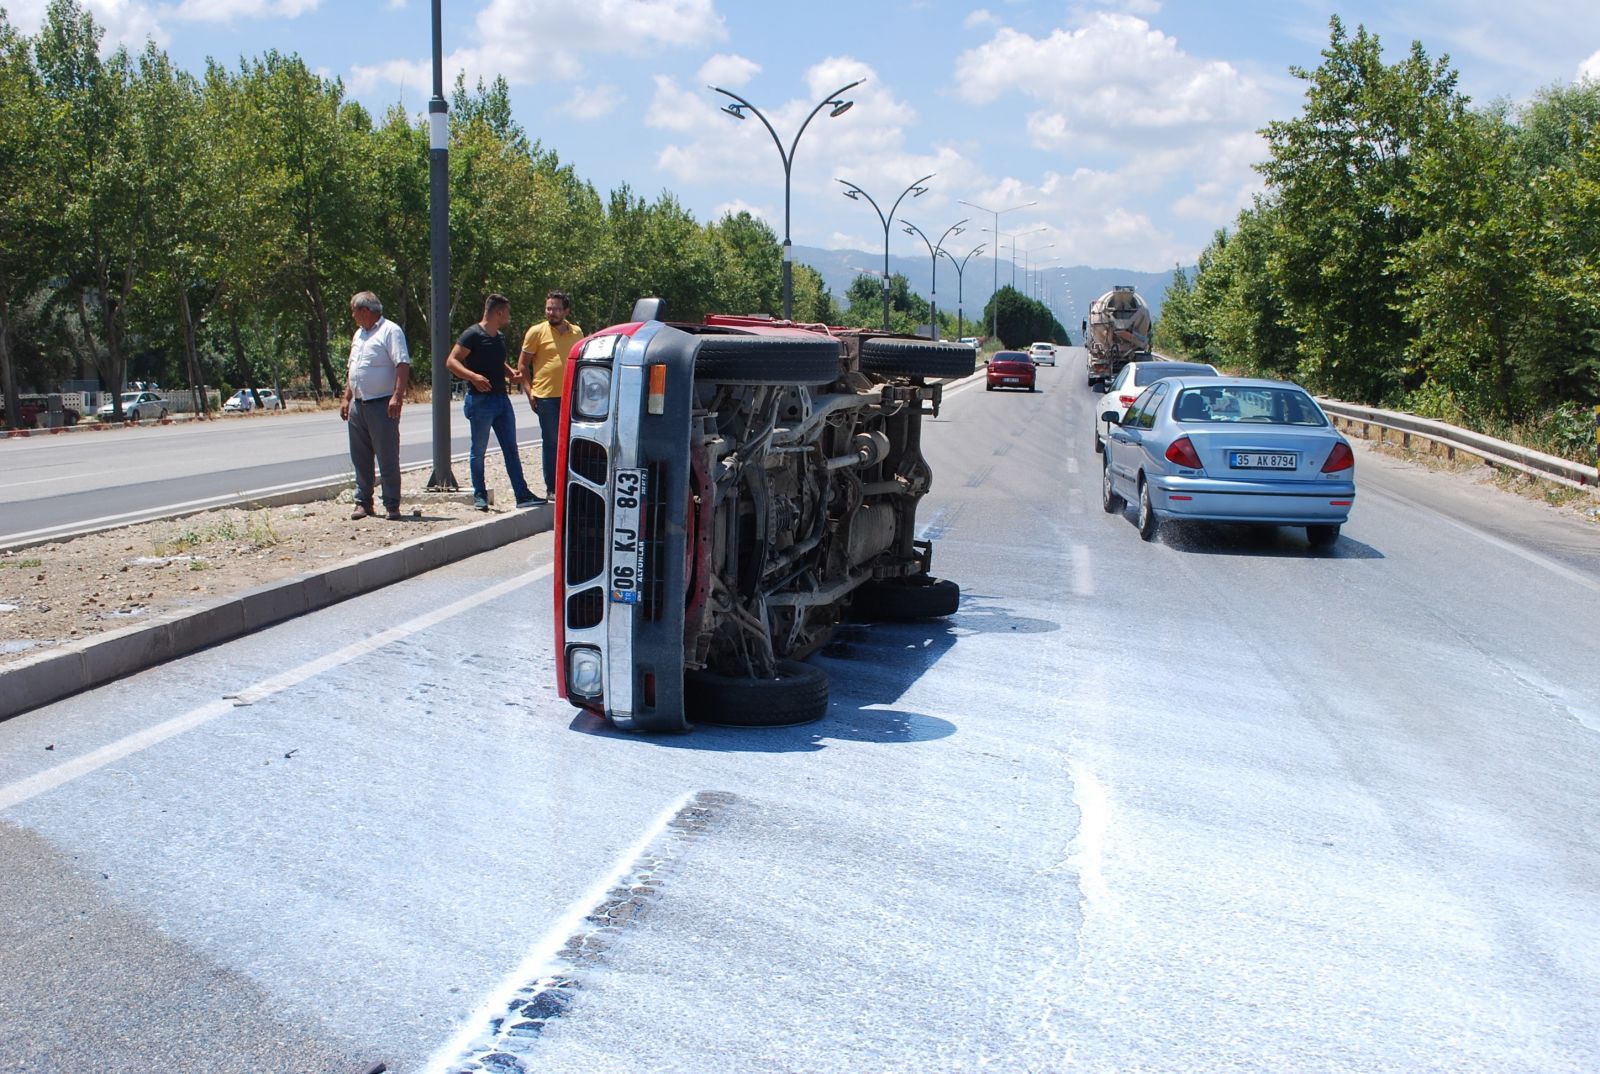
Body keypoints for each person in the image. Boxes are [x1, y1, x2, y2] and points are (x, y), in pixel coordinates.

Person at [446, 293, 541, 511]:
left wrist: (510, 373)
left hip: (501, 400)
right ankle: (479, 495)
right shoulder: (472, 334)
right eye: (507, 312)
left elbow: (498, 362)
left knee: (511, 449)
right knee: (478, 450)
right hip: (480, 401)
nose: (509, 316)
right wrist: (473, 377)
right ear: (498, 312)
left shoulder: (499, 336)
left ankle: (522, 494)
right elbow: (451, 361)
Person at [342, 291, 410, 520]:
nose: (352, 316)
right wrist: (346, 397)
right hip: (358, 405)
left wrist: (397, 396)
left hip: (382, 404)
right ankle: (363, 503)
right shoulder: (359, 334)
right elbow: (353, 368)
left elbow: (402, 364)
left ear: (364, 311)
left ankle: (392, 505)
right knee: (360, 457)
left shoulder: (390, 331)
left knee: (387, 457)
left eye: (354, 311)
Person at [519, 291, 584, 499]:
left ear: (566, 311)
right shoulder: (536, 332)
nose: (551, 312)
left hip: (572, 396)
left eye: (556, 309)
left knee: (574, 440)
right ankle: (553, 488)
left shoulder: (577, 332)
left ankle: (573, 484)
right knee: (552, 441)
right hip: (546, 397)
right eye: (548, 308)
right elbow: (522, 365)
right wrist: (530, 393)